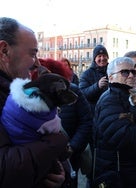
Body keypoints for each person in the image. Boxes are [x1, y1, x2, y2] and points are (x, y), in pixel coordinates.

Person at [0, 17, 67, 187]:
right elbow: (5, 168)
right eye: (32, 53)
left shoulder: (17, 91)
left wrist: (52, 170)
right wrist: (57, 142)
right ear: (4, 51)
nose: (37, 62)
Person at [92, 57, 136, 188]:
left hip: (132, 172)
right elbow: (124, 137)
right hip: (119, 176)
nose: (131, 75)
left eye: (134, 72)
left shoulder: (129, 95)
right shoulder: (110, 100)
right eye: (124, 72)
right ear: (111, 77)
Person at [38, 58, 94, 188]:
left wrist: (72, 147)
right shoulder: (32, 98)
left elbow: (86, 121)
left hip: (71, 155)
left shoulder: (73, 91)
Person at [79, 44, 109, 113]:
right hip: (94, 112)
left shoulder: (113, 71)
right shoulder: (86, 74)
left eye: (104, 56)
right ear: (95, 59)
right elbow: (82, 94)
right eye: (99, 56)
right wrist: (97, 86)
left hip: (110, 110)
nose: (102, 58)